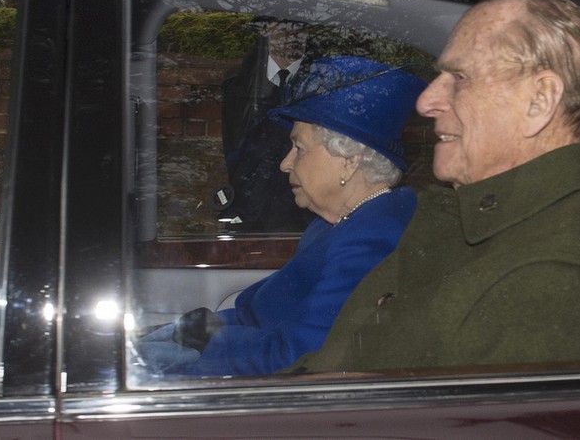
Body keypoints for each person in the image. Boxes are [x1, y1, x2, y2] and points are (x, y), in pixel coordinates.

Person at [288, 0, 580, 374]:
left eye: (459, 78)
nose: (426, 101)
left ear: (539, 101)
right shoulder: (473, 218)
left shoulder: (554, 278)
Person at [136, 55, 427, 376]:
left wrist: (178, 370)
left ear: (349, 160)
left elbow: (302, 355)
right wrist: (206, 326)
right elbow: (265, 312)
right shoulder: (332, 224)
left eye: (299, 149)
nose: (285, 163)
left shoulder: (374, 237)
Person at [217, 17, 317, 232]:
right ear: (264, 29)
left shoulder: (323, 85)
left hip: (308, 221)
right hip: (247, 219)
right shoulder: (238, 87)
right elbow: (232, 154)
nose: (291, 34)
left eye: (298, 25)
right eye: (282, 25)